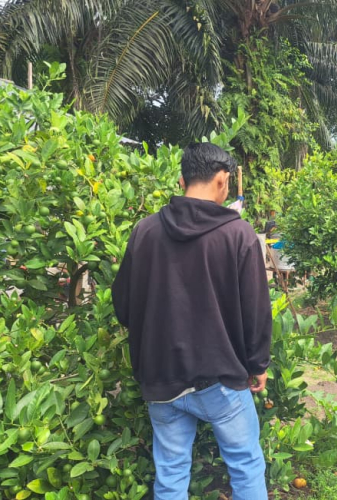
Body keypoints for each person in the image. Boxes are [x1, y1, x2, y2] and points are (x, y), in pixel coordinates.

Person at [112, 142, 272, 500]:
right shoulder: (238, 235)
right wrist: (258, 363)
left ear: (183, 179)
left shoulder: (145, 231)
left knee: (170, 475)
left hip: (160, 380)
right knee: (245, 466)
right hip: (221, 382)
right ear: (222, 180)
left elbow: (123, 307)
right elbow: (256, 310)